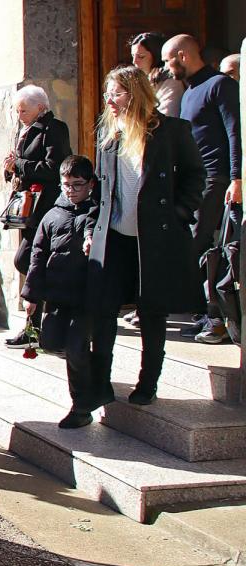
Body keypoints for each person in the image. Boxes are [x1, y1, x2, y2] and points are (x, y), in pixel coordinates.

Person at [89, 65, 205, 406]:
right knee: (104, 310)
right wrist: (92, 228)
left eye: (117, 93)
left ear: (136, 94)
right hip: (115, 237)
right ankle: (101, 383)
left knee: (152, 312)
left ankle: (147, 383)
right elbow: (101, 189)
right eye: (108, 93)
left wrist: (179, 213)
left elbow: (196, 176)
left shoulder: (171, 131)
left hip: (154, 238)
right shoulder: (108, 135)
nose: (109, 100)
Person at [162, 34, 242, 344]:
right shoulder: (190, 91)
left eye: (168, 60)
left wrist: (236, 178)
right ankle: (206, 314)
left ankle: (217, 318)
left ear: (183, 55)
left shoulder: (220, 85)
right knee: (192, 244)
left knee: (202, 243)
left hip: (216, 178)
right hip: (195, 179)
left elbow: (234, 132)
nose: (166, 68)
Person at [21, 155, 100, 429]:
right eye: (67, 185)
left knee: (77, 348)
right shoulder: (52, 215)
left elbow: (95, 233)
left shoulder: (96, 213)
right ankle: (85, 369)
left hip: (86, 297)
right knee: (52, 343)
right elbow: (38, 256)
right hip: (57, 295)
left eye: (78, 185)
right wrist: (31, 295)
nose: (71, 190)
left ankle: (81, 408)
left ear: (90, 184)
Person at [2, 84, 72, 349]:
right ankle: (38, 326)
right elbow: (21, 166)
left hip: (46, 208)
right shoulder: (26, 130)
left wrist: (20, 164)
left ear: (41, 108)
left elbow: (55, 168)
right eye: (17, 110)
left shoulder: (54, 129)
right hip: (29, 210)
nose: (19, 115)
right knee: (30, 263)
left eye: (24, 110)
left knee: (29, 261)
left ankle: (40, 325)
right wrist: (11, 168)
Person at [130, 32, 185, 117]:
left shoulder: (171, 82)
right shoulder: (140, 80)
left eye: (141, 56)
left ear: (156, 57)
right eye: (133, 56)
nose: (134, 62)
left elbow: (167, 116)